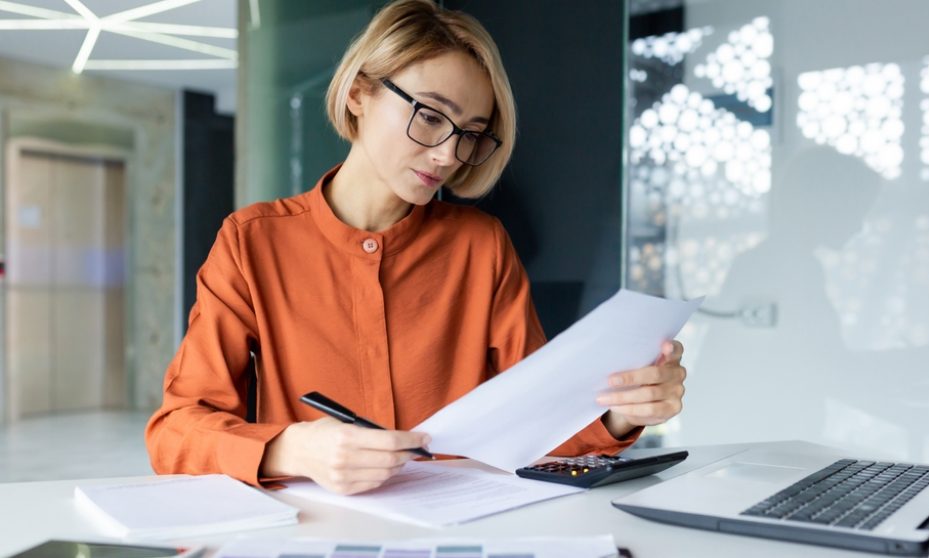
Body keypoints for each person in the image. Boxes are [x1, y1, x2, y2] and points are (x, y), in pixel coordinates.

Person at [145, 0, 687, 496]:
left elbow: (538, 427)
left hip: (466, 526)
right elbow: (176, 433)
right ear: (359, 92)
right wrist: (295, 448)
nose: (449, 154)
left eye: (471, 132)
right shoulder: (252, 242)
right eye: (430, 115)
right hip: (314, 535)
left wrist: (622, 411)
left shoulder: (482, 247)